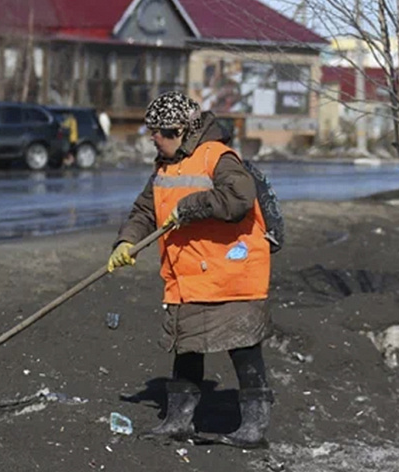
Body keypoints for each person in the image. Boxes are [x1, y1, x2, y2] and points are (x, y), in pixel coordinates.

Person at [107, 91, 273, 449]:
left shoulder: (218, 157)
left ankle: (254, 427)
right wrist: (126, 242)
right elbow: (144, 211)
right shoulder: (165, 166)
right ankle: (178, 420)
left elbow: (239, 198)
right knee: (186, 346)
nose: (152, 137)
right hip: (188, 276)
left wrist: (192, 206)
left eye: (158, 131)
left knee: (243, 346)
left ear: (180, 130)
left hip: (231, 273)